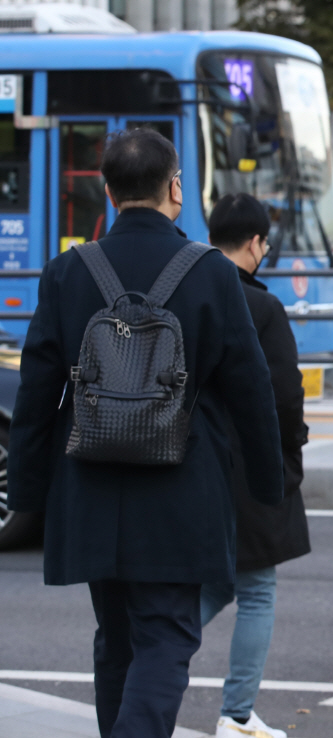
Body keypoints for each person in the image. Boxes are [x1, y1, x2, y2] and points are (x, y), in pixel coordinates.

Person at [7, 128, 283, 738]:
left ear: (107, 191)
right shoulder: (212, 273)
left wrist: (27, 493)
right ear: (175, 188)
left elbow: (35, 392)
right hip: (181, 484)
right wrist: (270, 485)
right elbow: (251, 388)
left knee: (116, 639)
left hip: (90, 484)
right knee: (167, 635)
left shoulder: (66, 271)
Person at [202, 194, 310, 738]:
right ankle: (238, 713)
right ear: (255, 243)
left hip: (192, 464)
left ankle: (147, 664)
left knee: (212, 584)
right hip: (251, 466)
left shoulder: (189, 291)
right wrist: (294, 448)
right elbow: (285, 396)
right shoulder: (262, 308)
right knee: (256, 589)